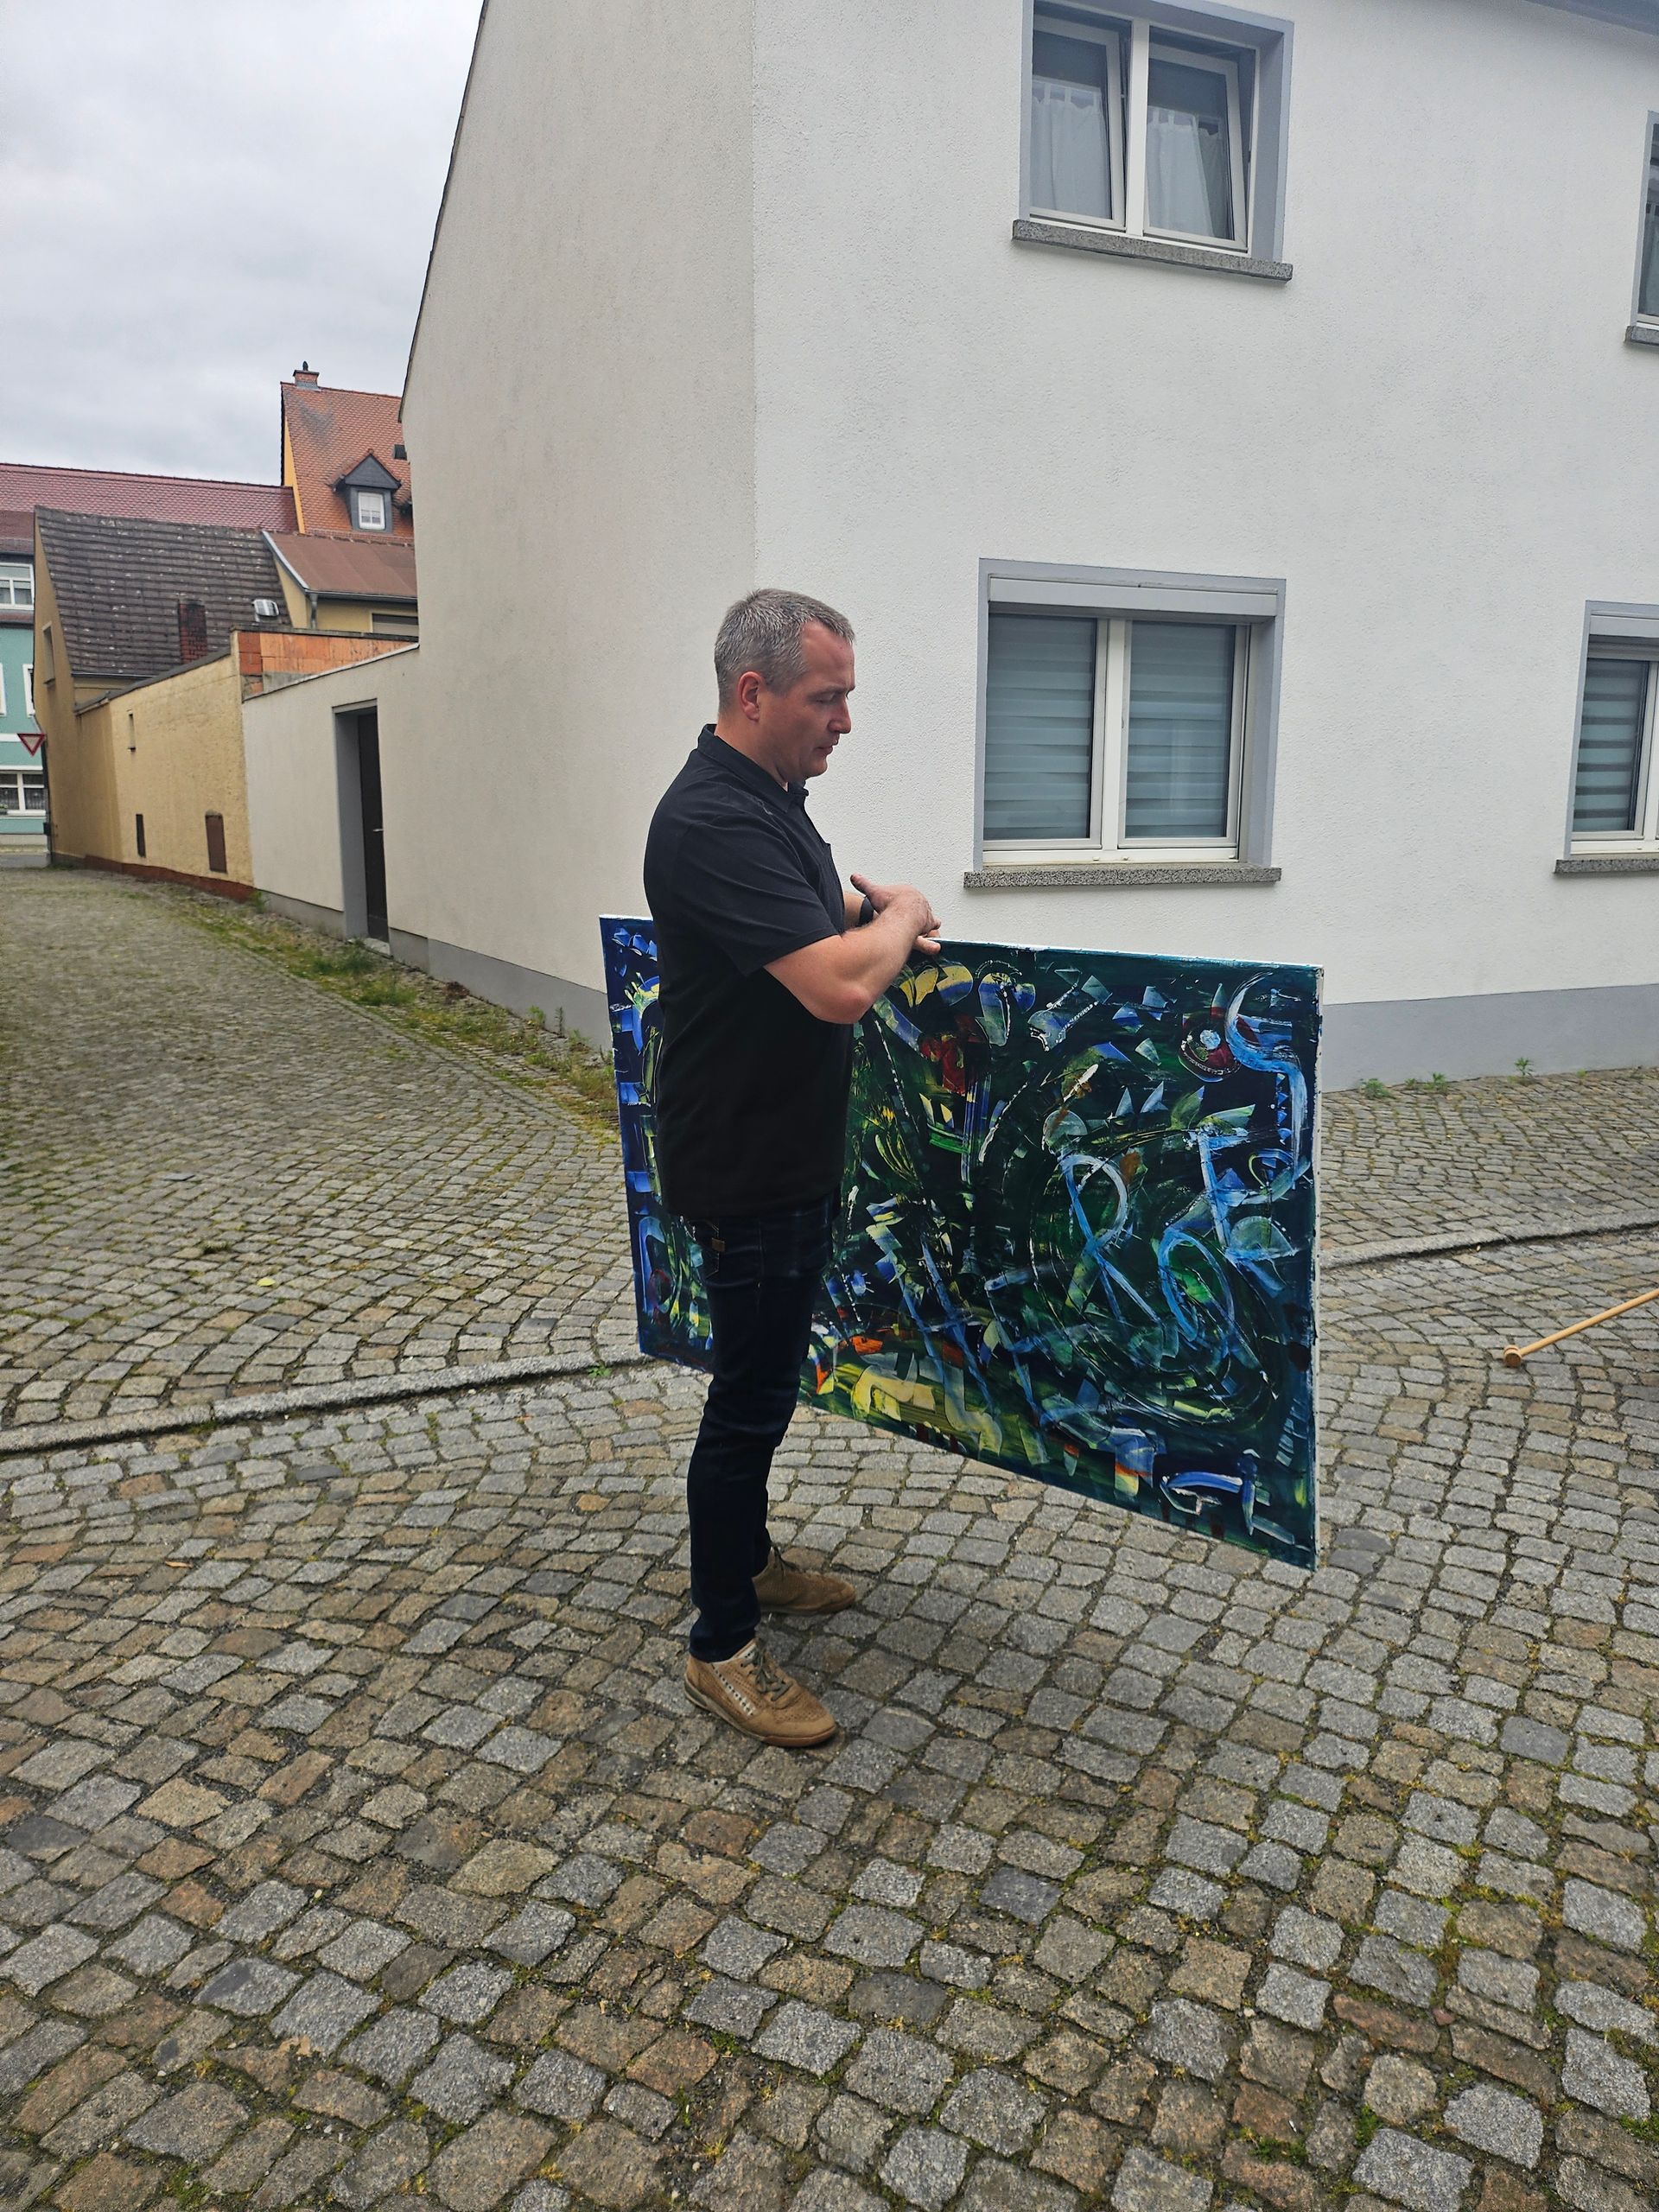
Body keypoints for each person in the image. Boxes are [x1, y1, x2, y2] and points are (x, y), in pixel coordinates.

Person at [644, 589, 939, 1747]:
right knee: (748, 1402)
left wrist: (868, 908)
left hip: (787, 1154)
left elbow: (819, 921)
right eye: (828, 698)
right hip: (745, 1166)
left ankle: (753, 1563)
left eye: (848, 697)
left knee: (763, 1394)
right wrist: (904, 913)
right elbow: (836, 985)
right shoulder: (712, 818)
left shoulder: (773, 803)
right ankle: (721, 1645)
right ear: (753, 692)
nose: (845, 722)